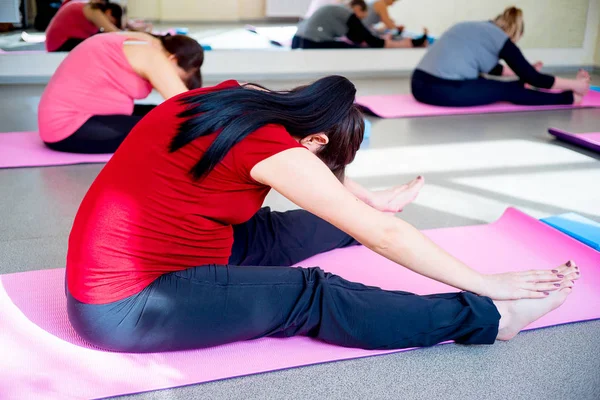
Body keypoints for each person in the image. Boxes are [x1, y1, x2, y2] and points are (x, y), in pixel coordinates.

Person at [64, 75, 579, 353]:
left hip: (181, 243)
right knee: (310, 292)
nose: (325, 172)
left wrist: (365, 200)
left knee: (323, 220)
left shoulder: (238, 97)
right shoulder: (268, 149)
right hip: (127, 305)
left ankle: (348, 222)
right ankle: (489, 319)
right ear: (311, 140)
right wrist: (487, 282)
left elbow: (322, 172)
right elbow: (382, 236)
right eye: (324, 161)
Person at [38, 32, 204, 154]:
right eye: (177, 76)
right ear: (173, 59)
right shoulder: (151, 55)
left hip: (73, 118)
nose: (171, 78)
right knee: (169, 125)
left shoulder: (143, 41)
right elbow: (185, 104)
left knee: (160, 112)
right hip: (67, 128)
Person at [411, 6, 591, 107]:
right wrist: (576, 85)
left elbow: (496, 70)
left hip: (418, 84)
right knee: (506, 91)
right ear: (515, 34)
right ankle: (569, 98)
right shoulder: (500, 38)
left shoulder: (475, 29)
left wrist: (524, 73)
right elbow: (536, 79)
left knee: (490, 83)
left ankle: (523, 84)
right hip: (440, 90)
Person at [292, 0, 427, 49]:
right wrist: (400, 42)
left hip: (298, 39)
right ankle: (414, 42)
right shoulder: (349, 15)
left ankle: (414, 41)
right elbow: (371, 40)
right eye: (362, 16)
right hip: (310, 41)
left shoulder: (340, 10)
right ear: (357, 10)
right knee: (354, 47)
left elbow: (360, 36)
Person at [45, 0, 124, 52]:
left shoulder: (89, 9)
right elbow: (113, 31)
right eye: (112, 21)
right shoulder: (92, 9)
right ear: (108, 12)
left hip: (58, 44)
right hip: (59, 45)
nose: (109, 22)